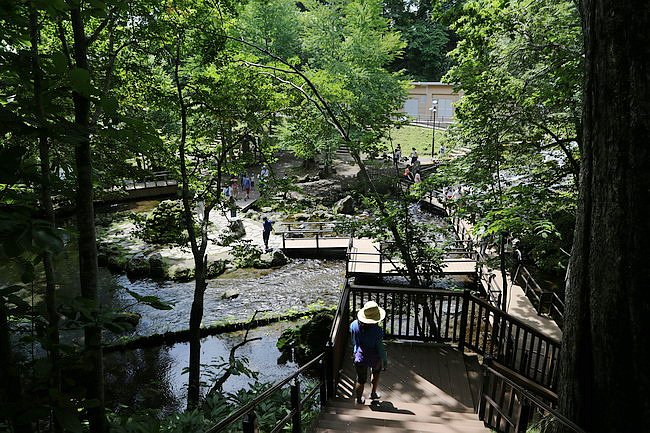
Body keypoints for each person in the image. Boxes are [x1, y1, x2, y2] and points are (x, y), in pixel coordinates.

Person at [350, 301, 388, 405]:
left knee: (360, 380)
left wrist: (355, 349)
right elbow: (380, 347)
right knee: (375, 373)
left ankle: (358, 399)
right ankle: (373, 393)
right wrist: (384, 360)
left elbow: (353, 340)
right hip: (374, 356)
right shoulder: (377, 331)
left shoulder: (353, 325)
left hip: (359, 355)